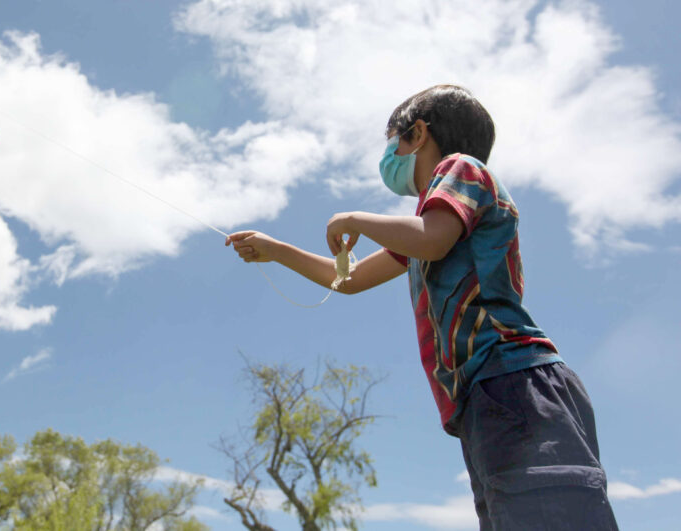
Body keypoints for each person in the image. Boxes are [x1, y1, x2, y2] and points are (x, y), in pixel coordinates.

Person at [226, 85, 617, 530]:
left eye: (392, 141)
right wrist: (276, 250)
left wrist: (354, 220)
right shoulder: (427, 226)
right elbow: (349, 279)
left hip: (516, 383)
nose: (389, 155)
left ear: (418, 133)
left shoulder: (463, 171)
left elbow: (431, 240)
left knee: (550, 516)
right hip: (484, 399)